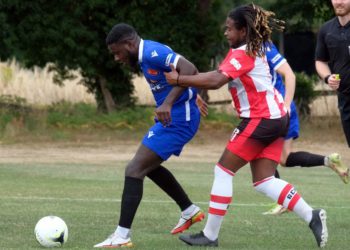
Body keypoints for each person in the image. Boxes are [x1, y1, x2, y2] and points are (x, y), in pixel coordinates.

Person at [165, 4, 328, 248]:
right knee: (264, 180)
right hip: (274, 120)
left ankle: (210, 235)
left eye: (230, 29)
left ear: (243, 31)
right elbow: (218, 75)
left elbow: (216, 80)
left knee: (223, 170)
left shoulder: (244, 53)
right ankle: (311, 215)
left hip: (260, 120)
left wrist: (179, 79)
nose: (226, 32)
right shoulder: (251, 49)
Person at [94, 23, 206, 248]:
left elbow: (190, 69)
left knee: (134, 170)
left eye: (118, 52)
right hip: (173, 118)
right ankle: (189, 210)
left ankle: (121, 236)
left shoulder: (154, 53)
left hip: (179, 121)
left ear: (129, 44)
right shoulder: (146, 57)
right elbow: (184, 76)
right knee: (147, 166)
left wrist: (168, 102)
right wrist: (194, 93)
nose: (117, 58)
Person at [263, 42, 349, 215]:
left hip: (279, 109)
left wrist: (285, 106)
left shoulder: (264, 48)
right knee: (284, 158)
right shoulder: (254, 47)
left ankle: (284, 201)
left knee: (265, 153)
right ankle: (328, 160)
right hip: (276, 109)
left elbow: (288, 74)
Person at [315, 0, 350, 148]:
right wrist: (328, 77)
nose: (339, 2)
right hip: (345, 99)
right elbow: (320, 61)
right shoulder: (326, 29)